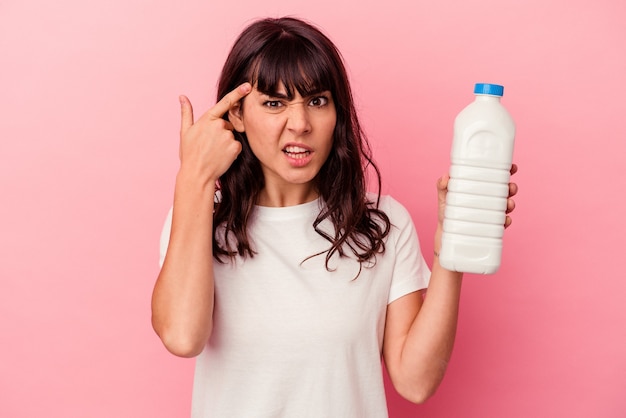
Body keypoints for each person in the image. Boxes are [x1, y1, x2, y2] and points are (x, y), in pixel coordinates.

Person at [151, 16, 518, 418]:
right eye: (274, 103)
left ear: (336, 111)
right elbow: (183, 337)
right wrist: (194, 178)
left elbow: (415, 382)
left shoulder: (383, 223)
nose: (300, 124)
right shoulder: (198, 219)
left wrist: (453, 246)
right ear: (236, 115)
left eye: (317, 101)